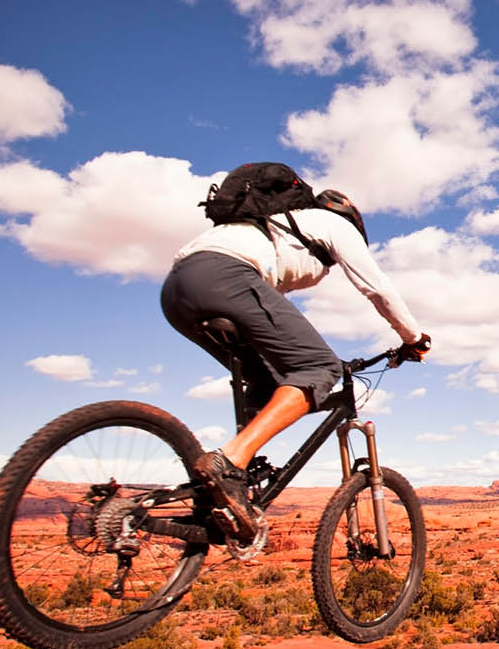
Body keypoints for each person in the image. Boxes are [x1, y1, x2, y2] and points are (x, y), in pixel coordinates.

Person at [160, 188, 429, 542]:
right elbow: (377, 288)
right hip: (224, 277)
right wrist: (412, 337)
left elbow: (272, 317)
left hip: (177, 290)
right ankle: (230, 461)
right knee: (320, 369)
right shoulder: (333, 223)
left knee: (271, 382)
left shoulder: (271, 228)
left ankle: (226, 485)